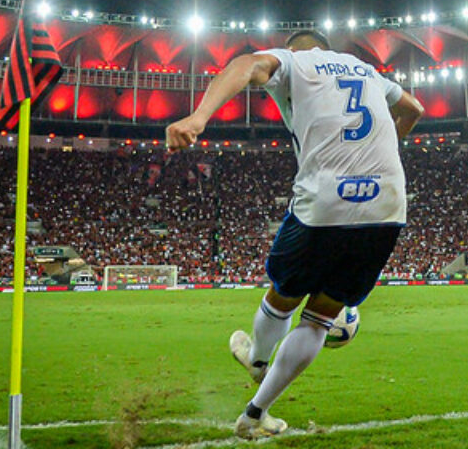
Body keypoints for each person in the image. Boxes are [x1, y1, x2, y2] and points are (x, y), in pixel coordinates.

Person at [166, 29, 424, 438]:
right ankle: (254, 416)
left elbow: (245, 64)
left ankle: (258, 359)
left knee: (283, 296)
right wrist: (385, 150)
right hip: (388, 203)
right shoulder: (366, 70)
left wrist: (198, 118)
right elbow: (414, 108)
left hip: (327, 198)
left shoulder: (296, 62)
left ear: (292, 49)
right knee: (320, 319)